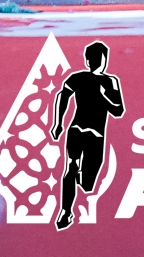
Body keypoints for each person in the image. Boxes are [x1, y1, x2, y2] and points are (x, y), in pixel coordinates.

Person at [49, 40, 125, 232]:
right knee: (70, 167)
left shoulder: (110, 81)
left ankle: (80, 179)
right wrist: (58, 123)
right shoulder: (77, 78)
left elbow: (118, 111)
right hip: (77, 130)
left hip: (96, 136)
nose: (97, 61)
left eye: (100, 58)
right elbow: (62, 96)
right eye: (93, 58)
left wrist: (103, 96)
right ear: (87, 60)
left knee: (87, 183)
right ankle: (66, 211)